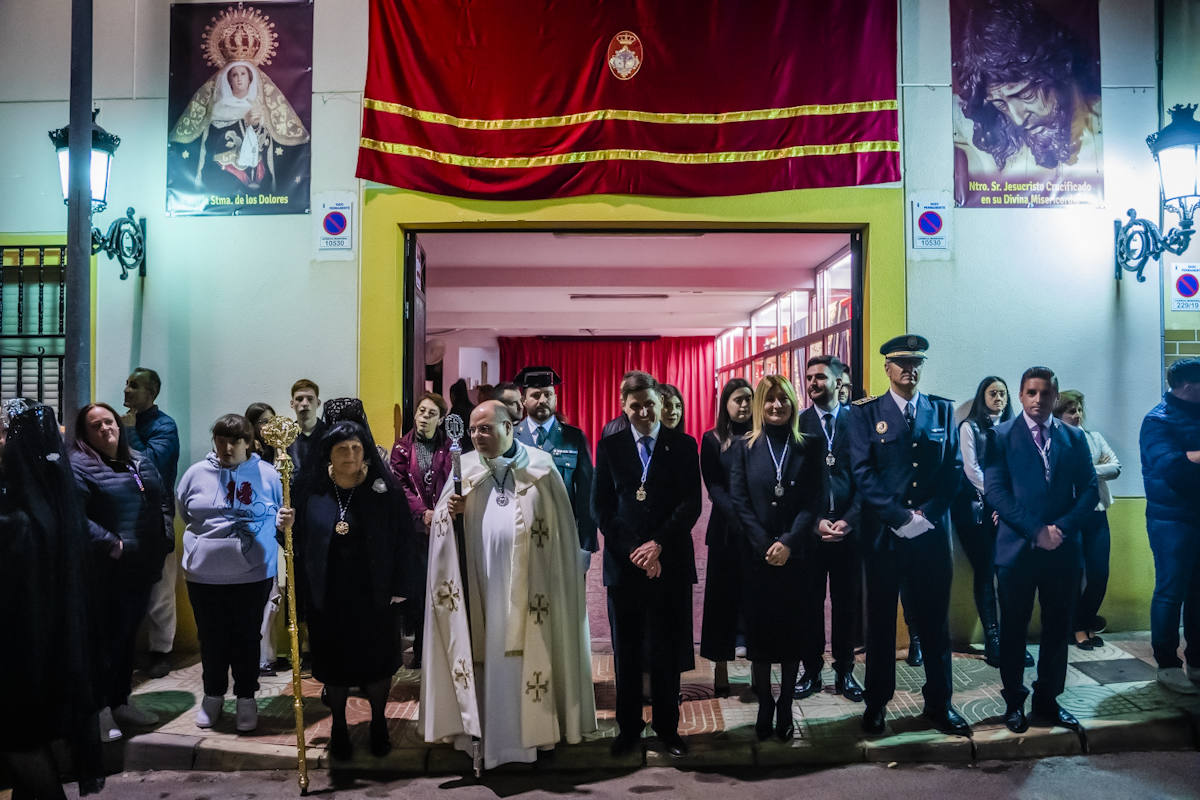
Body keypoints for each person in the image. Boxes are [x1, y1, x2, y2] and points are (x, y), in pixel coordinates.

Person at [422, 401, 596, 770]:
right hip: (480, 585)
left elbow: (562, 531)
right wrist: (448, 513)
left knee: (527, 657)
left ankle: (532, 739)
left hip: (532, 593)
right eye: (472, 430)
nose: (477, 436)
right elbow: (440, 526)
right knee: (482, 653)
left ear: (509, 427)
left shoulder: (541, 468)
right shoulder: (464, 469)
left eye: (485, 429)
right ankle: (480, 736)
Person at [848, 335, 969, 737]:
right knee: (880, 626)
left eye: (915, 362)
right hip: (885, 537)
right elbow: (862, 472)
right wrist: (900, 517)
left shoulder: (943, 410)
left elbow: (953, 468)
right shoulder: (865, 414)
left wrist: (926, 516)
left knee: (935, 624)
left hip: (932, 536)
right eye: (900, 362)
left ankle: (940, 704)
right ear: (887, 368)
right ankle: (877, 704)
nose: (908, 369)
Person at [291, 419, 415, 759]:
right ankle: (339, 727)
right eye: (342, 448)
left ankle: (377, 723)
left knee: (376, 663)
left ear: (366, 453)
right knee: (335, 665)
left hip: (375, 596)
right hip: (328, 597)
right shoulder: (311, 492)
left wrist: (402, 586)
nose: (350, 454)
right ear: (328, 454)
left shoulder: (384, 492)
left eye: (357, 448)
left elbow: (405, 540)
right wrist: (282, 526)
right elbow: (296, 545)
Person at [593, 372, 701, 759]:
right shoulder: (610, 447)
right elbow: (601, 507)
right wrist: (635, 551)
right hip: (625, 566)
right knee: (627, 649)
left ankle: (668, 728)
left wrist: (657, 546)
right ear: (624, 407)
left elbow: (691, 504)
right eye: (635, 405)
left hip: (669, 561)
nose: (643, 411)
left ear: (660, 403)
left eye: (649, 404)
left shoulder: (684, 445)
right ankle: (628, 728)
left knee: (666, 650)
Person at [1, 402, 104, 799]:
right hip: (39, 649)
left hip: (20, 655)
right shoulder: (41, 501)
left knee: (21, 746)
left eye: (3, 433)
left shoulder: (20, 521)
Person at [985, 366, 1096, 734]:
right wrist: (1036, 531)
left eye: (1045, 393)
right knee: (1014, 630)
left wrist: (1059, 530)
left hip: (1062, 551)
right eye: (1031, 393)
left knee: (1056, 630)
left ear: (1055, 396)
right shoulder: (999, 437)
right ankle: (1014, 702)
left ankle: (1048, 700)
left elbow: (1090, 492)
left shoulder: (1075, 438)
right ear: (1020, 395)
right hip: (1017, 550)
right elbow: (996, 492)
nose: (1037, 400)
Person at [70, 402, 173, 742]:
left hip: (139, 570)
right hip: (102, 572)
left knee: (127, 638)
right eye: (96, 425)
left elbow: (160, 500)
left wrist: (164, 536)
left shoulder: (139, 461)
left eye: (109, 422)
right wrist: (112, 545)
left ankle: (120, 702)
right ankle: (97, 712)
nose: (105, 429)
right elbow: (74, 518)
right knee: (102, 643)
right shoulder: (78, 466)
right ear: (85, 433)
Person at [730, 376, 824, 741]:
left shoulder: (810, 446)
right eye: (768, 400)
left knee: (791, 634)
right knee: (760, 637)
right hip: (756, 557)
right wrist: (763, 543)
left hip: (797, 556)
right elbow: (739, 501)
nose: (776, 406)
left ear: (793, 402)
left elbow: (813, 501)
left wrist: (787, 543)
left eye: (782, 399)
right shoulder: (743, 446)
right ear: (758, 406)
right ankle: (765, 703)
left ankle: (785, 703)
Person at [177, 414, 283, 733]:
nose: (226, 447)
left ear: (248, 443)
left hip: (252, 574)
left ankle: (246, 698)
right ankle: (212, 696)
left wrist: (283, 522)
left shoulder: (267, 475)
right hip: (204, 574)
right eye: (220, 440)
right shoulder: (196, 473)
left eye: (234, 441)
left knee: (247, 636)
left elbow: (277, 512)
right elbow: (184, 510)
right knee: (211, 637)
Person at [951, 0, 1102, 205]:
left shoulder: (1110, 127)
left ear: (1057, 70)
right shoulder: (974, 126)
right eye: (1000, 103)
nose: (1018, 118)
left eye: (1023, 95)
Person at [797, 355, 864, 702]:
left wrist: (849, 520)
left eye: (820, 377)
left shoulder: (860, 422)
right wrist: (816, 521)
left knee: (846, 606)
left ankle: (845, 672)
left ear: (839, 383)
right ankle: (811, 671)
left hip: (850, 533)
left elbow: (868, 480)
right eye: (809, 378)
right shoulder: (799, 424)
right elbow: (794, 485)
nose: (812, 384)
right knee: (810, 604)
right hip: (812, 533)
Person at [1139, 357, 1200, 695]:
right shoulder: (1157, 420)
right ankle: (1167, 664)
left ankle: (1197, 661)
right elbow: (1170, 466)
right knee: (1170, 592)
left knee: (1198, 594)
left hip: (1196, 516)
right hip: (1171, 520)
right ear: (1189, 385)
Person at [169, 59, 310, 193]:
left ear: (250, 78)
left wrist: (255, 125)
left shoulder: (261, 108)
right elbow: (210, 142)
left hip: (256, 171)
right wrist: (244, 122)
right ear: (228, 80)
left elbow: (267, 145)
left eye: (243, 74)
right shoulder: (218, 108)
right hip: (224, 170)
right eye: (234, 74)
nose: (239, 78)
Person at [121, 367, 181, 681]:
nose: (127, 390)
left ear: (151, 393)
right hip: (123, 517)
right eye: (127, 384)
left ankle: (161, 651)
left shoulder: (164, 426)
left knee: (160, 588)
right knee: (127, 586)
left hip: (157, 516)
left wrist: (129, 433)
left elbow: (152, 468)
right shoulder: (115, 424)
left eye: (135, 386)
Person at [955, 376, 1018, 667]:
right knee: (985, 571)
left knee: (1008, 574)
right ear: (982, 396)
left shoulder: (1014, 430)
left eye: (1003, 394)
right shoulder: (969, 427)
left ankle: (1010, 639)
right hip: (977, 512)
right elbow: (971, 469)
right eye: (993, 393)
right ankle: (992, 639)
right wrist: (998, 500)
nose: (998, 398)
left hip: (1007, 512)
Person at [391, 391, 454, 669]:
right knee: (417, 592)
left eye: (431, 413)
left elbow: (456, 480)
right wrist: (423, 514)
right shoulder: (402, 448)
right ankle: (419, 649)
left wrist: (439, 513)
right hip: (415, 530)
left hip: (445, 527)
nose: (424, 417)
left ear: (440, 420)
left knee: (443, 588)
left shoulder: (451, 448)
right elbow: (400, 485)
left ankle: (442, 648)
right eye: (421, 411)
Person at [1054, 389, 1120, 650]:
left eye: (1079, 409)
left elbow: (1115, 467)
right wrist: (1095, 470)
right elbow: (1061, 475)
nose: (1077, 414)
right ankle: (1077, 627)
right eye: (1071, 410)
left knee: (1099, 574)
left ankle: (1085, 620)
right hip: (1070, 516)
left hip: (1097, 513)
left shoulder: (1094, 438)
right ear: (1059, 415)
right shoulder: (1056, 440)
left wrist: (1087, 470)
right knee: (1073, 574)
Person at [699, 378, 753, 697]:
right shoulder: (712, 439)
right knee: (721, 601)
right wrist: (739, 516)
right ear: (726, 405)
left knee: (757, 600)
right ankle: (720, 667)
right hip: (725, 531)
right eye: (737, 400)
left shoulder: (764, 436)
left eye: (748, 399)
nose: (743, 405)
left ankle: (760, 666)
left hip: (759, 532)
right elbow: (714, 487)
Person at [512, 366, 597, 568]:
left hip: (563, 536)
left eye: (548, 394)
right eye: (535, 395)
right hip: (521, 537)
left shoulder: (574, 437)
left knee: (566, 598)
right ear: (524, 400)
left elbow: (586, 494)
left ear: (556, 399)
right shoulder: (511, 437)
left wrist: (586, 544)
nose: (542, 400)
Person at [244, 402, 283, 676]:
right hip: (252, 534)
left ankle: (267, 654)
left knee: (275, 596)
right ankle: (256, 658)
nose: (267, 427)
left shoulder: (277, 452)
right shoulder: (246, 457)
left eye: (271, 421)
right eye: (262, 422)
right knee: (259, 599)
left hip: (275, 530)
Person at [287, 379, 326, 472]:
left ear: (318, 403)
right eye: (299, 399)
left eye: (310, 399)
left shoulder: (330, 433)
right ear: (292, 404)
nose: (304, 403)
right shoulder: (285, 437)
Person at [600, 370, 640, 439]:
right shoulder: (609, 430)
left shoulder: (656, 427)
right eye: (621, 392)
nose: (621, 397)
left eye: (627, 392)